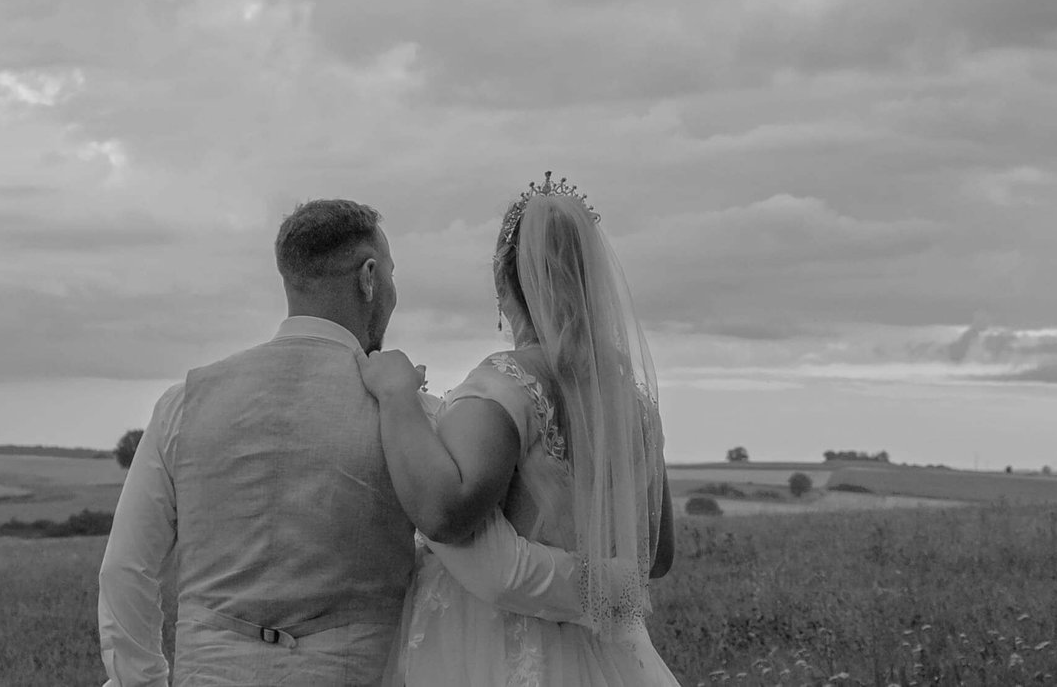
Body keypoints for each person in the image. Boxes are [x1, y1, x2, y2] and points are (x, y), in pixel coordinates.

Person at [96, 198, 589, 687]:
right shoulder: (410, 418)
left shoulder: (184, 402)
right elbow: (490, 566)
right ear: (369, 277)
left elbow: (125, 569)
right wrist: (606, 589)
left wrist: (143, 682)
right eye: (391, 273)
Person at [360, 174, 681, 686]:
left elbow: (444, 515)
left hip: (488, 647)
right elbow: (657, 556)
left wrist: (398, 398)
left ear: (503, 283)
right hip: (606, 653)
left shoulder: (504, 385)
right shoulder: (634, 406)